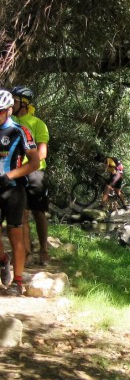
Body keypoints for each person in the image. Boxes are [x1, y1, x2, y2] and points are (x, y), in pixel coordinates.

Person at [0, 89, 40, 296]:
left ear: (8, 110)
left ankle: (17, 282)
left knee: (15, 236)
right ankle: (3, 261)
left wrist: (11, 175)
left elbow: (35, 162)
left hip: (14, 190)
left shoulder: (20, 131)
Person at [11, 86, 50, 265]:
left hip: (35, 173)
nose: (12, 103)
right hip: (15, 173)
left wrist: (24, 167)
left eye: (16, 100)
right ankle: (26, 253)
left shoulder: (38, 124)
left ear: (25, 104)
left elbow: (41, 154)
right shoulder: (8, 121)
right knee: (22, 213)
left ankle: (43, 250)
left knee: (39, 213)